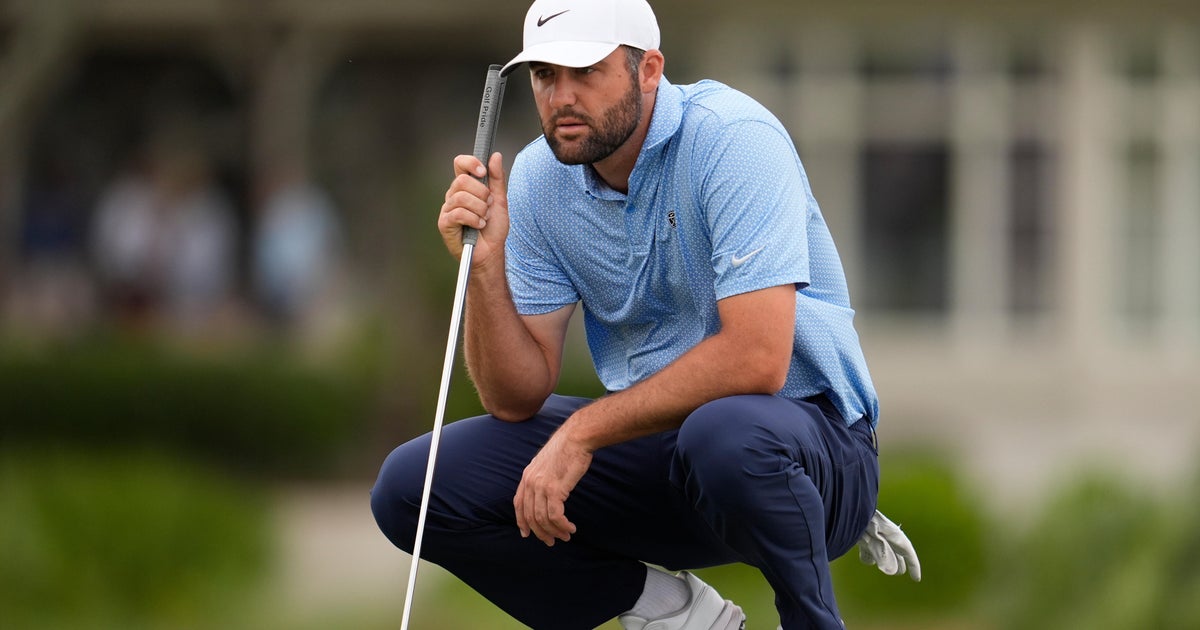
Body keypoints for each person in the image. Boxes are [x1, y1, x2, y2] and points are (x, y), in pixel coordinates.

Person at [371, 1, 919, 628]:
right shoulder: (538, 180)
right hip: (662, 454)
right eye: (546, 75)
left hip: (815, 452)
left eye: (587, 72)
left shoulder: (733, 138)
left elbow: (757, 360)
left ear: (650, 69)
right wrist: (486, 269)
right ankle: (670, 611)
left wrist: (580, 434)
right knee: (412, 487)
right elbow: (515, 397)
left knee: (726, 434)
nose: (562, 97)